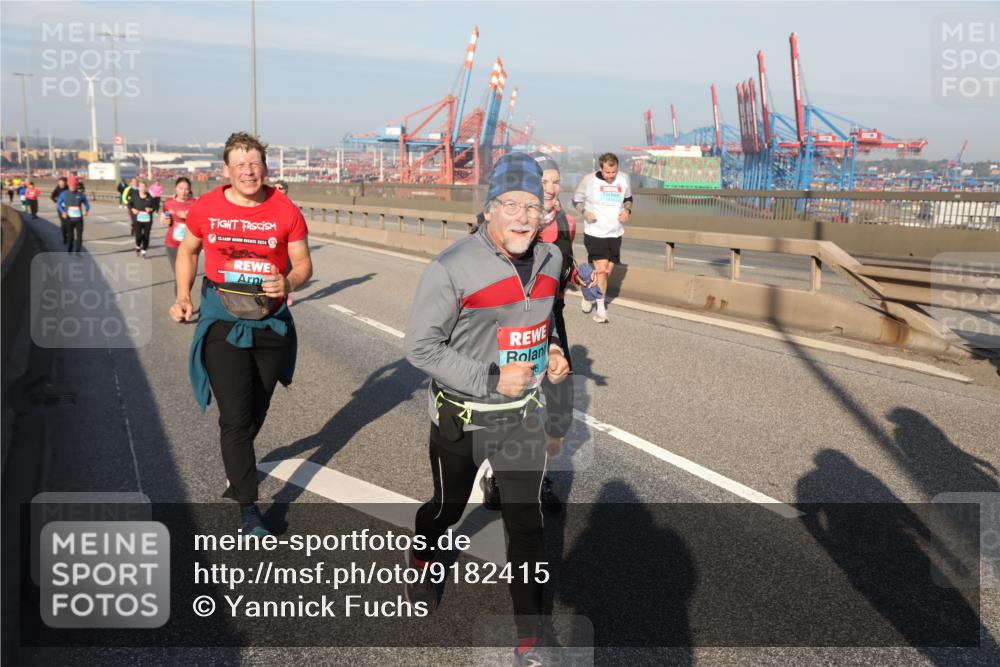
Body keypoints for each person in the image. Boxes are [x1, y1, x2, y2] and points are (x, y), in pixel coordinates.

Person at [403, 153, 572, 666]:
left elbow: (544, 320)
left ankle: (530, 636)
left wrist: (555, 353)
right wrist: (491, 379)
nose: (523, 216)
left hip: (521, 416)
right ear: (489, 210)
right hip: (462, 417)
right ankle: (426, 550)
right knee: (446, 509)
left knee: (526, 525)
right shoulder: (452, 267)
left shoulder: (552, 261)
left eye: (532, 207)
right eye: (511, 206)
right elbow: (420, 347)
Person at [169, 131, 312, 537]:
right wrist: (182, 295)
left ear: (265, 168)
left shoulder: (286, 210)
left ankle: (238, 465)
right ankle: (249, 508)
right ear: (227, 170)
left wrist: (289, 282)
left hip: (270, 320)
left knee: (256, 409)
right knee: (234, 416)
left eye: (255, 164)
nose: (249, 171)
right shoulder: (206, 207)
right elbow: (188, 251)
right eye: (240, 165)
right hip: (222, 317)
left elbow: (303, 264)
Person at [480, 152, 575, 515]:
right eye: (544, 182)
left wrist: (577, 277)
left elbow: (562, 270)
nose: (551, 188)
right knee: (507, 403)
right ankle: (495, 475)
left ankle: (539, 476)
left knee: (554, 404)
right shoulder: (504, 221)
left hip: (551, 320)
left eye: (555, 181)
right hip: (507, 323)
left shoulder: (565, 222)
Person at [572, 152, 632, 323]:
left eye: (614, 172)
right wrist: (585, 213)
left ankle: (588, 291)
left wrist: (627, 211)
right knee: (603, 270)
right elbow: (576, 200)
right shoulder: (588, 180)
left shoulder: (624, 179)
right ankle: (601, 310)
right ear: (601, 168)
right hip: (595, 232)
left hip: (615, 232)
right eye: (607, 173)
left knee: (606, 273)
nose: (611, 176)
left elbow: (628, 198)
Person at [161, 176, 197, 287]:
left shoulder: (195, 203)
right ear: (175, 188)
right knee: (179, 274)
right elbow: (165, 219)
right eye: (181, 188)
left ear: (190, 189)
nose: (183, 191)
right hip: (172, 243)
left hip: (190, 244)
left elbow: (201, 222)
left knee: (189, 275)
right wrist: (165, 221)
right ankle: (181, 302)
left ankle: (184, 299)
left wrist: (188, 217)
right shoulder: (168, 203)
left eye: (186, 189)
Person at [56, 181, 90, 254]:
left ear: (76, 186)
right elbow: (58, 204)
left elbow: (86, 203)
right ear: (68, 185)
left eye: (74, 185)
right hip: (69, 219)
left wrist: (87, 210)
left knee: (79, 235)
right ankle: (70, 248)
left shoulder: (81, 194)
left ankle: (78, 249)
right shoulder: (64, 194)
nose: (72, 187)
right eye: (71, 185)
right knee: (71, 235)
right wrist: (63, 212)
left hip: (78, 219)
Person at [130, 180, 160, 258]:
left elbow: (155, 206)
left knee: (146, 235)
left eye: (144, 187)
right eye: (141, 187)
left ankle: (144, 251)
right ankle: (138, 246)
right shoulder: (134, 195)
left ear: (146, 188)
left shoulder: (150, 197)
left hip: (147, 219)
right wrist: (133, 209)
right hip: (137, 219)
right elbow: (129, 204)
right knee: (139, 236)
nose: (142, 188)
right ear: (138, 188)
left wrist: (151, 209)